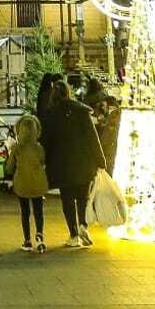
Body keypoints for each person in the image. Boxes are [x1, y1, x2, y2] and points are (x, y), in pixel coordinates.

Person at [40, 80, 106, 248]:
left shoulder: (51, 115)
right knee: (83, 197)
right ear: (69, 93)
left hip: (62, 165)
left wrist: (43, 161)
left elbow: (46, 142)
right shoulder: (82, 111)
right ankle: (83, 224)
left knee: (68, 200)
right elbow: (93, 137)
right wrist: (100, 160)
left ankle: (74, 234)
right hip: (84, 162)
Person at [6, 113, 49, 254]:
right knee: (38, 210)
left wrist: (9, 151)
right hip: (38, 183)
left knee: (25, 212)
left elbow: (9, 168)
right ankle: (40, 235)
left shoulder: (17, 148)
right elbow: (43, 161)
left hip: (22, 184)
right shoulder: (39, 148)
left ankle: (27, 240)